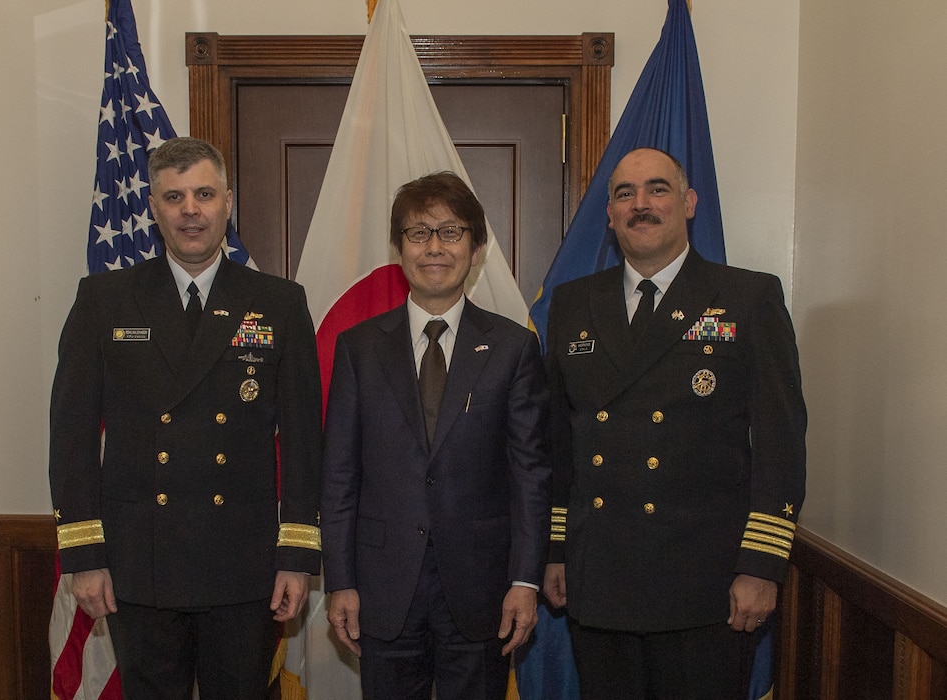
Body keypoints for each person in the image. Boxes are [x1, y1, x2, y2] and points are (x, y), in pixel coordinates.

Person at [49, 136, 323, 698]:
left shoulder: (278, 302)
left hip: (243, 566)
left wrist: (296, 555)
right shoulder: (104, 299)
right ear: (154, 208)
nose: (190, 210)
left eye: (203, 194)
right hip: (139, 564)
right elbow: (71, 435)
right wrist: (83, 555)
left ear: (228, 202)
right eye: (174, 197)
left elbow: (302, 441)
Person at [542, 147, 807, 698]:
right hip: (601, 576)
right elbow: (559, 442)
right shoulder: (573, 303)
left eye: (657, 189)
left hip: (705, 585)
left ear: (688, 204)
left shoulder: (746, 297)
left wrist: (761, 566)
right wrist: (557, 549)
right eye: (624, 194)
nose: (641, 204)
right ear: (610, 216)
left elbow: (781, 442)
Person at [321, 172, 552, 699]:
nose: (434, 247)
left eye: (451, 232)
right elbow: (339, 474)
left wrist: (524, 580)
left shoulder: (513, 348)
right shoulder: (359, 348)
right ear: (399, 247)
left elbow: (530, 475)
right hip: (383, 586)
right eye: (418, 232)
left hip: (482, 589)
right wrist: (340, 579)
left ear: (477, 248)